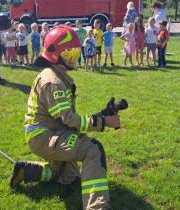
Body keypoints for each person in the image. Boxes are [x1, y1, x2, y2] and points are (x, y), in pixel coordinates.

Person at [10, 25, 120, 210]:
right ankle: (97, 207)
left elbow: (66, 119)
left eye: (76, 52)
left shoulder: (57, 75)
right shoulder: (52, 82)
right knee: (93, 149)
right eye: (71, 53)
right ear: (56, 54)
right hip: (44, 137)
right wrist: (103, 122)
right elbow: (67, 119)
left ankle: (27, 170)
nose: (75, 57)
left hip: (50, 133)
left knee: (69, 178)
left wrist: (99, 116)